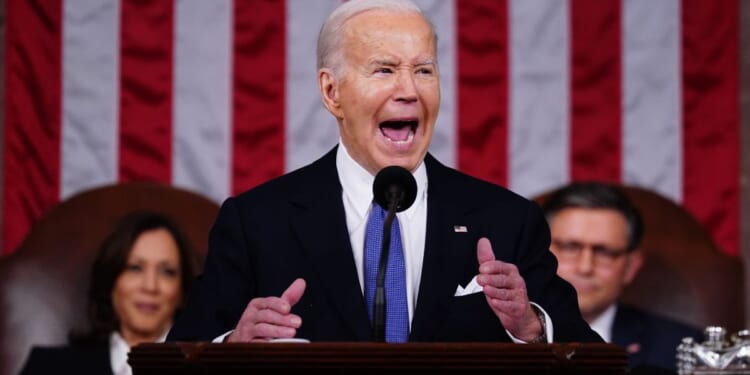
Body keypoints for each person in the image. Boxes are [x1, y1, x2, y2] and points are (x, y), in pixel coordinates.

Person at [167, 0, 600, 344]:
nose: (409, 90)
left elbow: (590, 357)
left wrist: (529, 326)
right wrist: (234, 345)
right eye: (385, 70)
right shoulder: (257, 221)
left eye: (424, 71)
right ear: (331, 91)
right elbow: (180, 356)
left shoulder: (507, 220)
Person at [540, 182, 703, 372]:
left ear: (631, 267)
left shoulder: (683, 350)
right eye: (569, 247)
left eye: (605, 252)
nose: (585, 267)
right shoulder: (499, 336)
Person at [20, 212, 197, 375]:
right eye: (135, 268)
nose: (150, 286)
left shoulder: (209, 369)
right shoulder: (48, 367)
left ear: (182, 291)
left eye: (167, 272)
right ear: (111, 282)